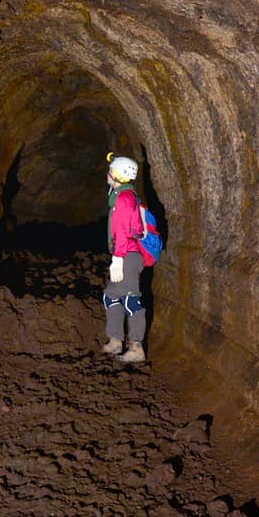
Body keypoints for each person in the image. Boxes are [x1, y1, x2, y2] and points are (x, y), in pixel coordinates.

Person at [103, 153, 150, 364]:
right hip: (126, 252)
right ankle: (115, 340)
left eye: (110, 169)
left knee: (131, 299)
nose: (108, 173)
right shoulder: (122, 195)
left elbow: (122, 231)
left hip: (128, 255)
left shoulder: (124, 198)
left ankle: (137, 347)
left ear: (117, 174)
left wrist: (118, 259)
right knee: (110, 296)